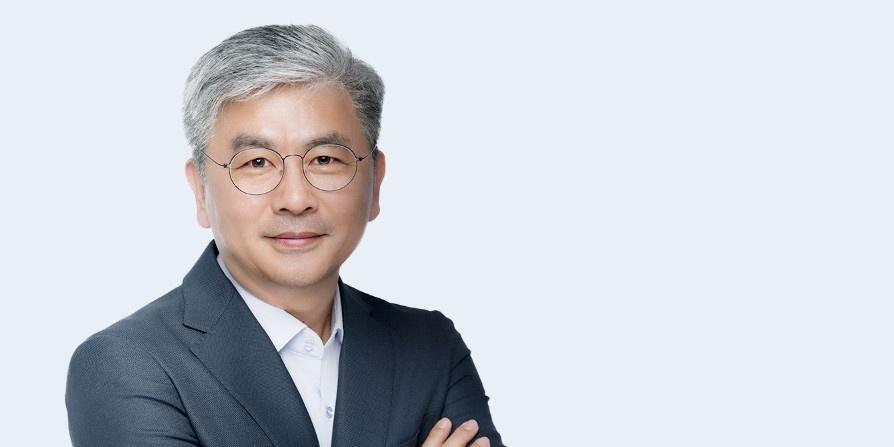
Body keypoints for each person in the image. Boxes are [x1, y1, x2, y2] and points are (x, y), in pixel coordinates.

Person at [65, 24, 504, 447]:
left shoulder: (430, 348)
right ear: (201, 190)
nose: (295, 199)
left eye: (326, 159)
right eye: (257, 163)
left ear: (375, 182)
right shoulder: (128, 363)